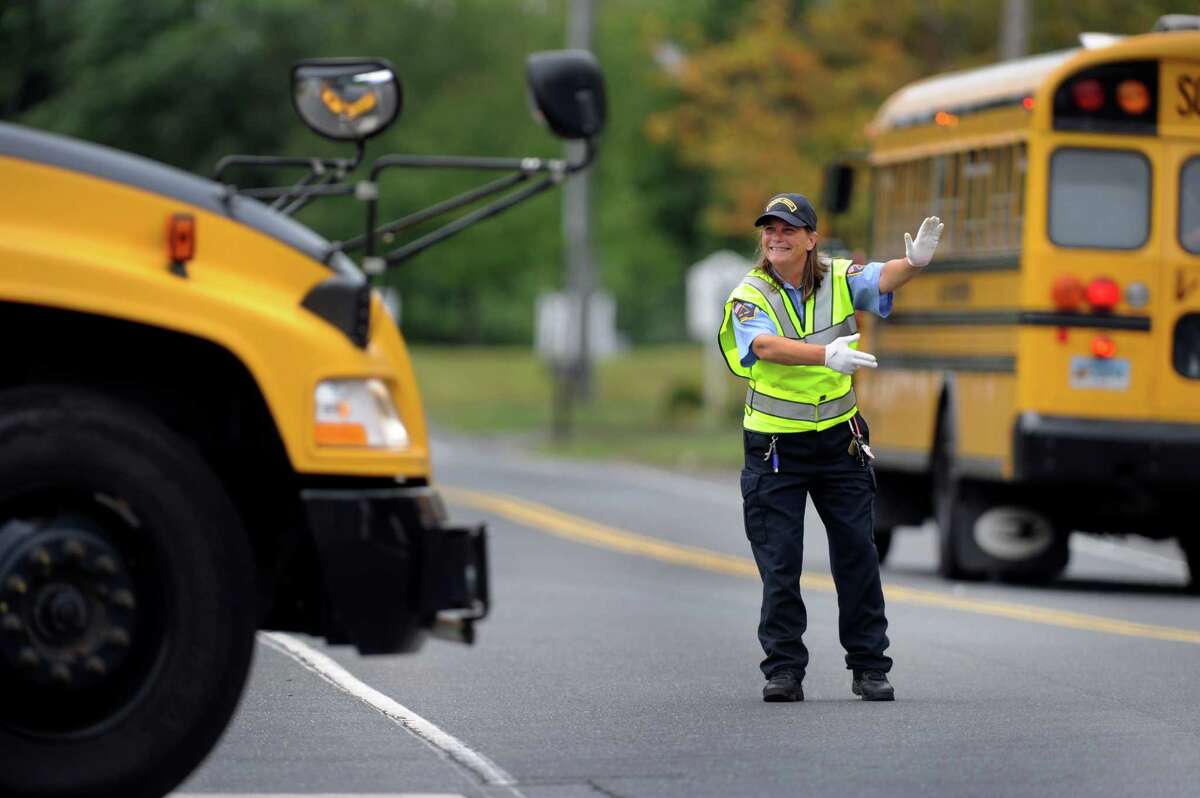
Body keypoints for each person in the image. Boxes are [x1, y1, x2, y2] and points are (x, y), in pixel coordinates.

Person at [718, 192, 943, 702]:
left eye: (787, 230)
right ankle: (784, 670)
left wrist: (917, 262)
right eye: (769, 230)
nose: (776, 238)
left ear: (811, 239)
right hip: (776, 447)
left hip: (840, 442)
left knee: (856, 555)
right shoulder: (749, 293)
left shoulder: (838, 278)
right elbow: (763, 346)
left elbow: (882, 278)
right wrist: (826, 355)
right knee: (781, 563)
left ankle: (869, 666)